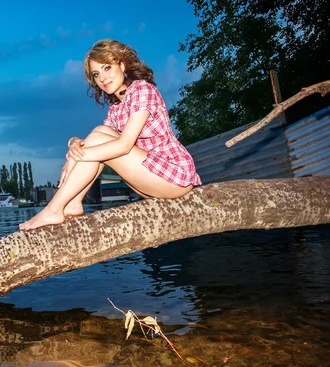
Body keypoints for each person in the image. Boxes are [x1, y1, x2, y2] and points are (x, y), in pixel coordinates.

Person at [19, 39, 201, 231]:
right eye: (96, 74)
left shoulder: (142, 90)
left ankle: (54, 208)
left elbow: (123, 145)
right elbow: (98, 138)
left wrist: (74, 159)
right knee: (99, 132)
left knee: (98, 139)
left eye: (107, 68)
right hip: (151, 177)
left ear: (122, 65)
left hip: (174, 176)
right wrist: (74, 143)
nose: (102, 78)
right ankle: (73, 203)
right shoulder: (117, 105)